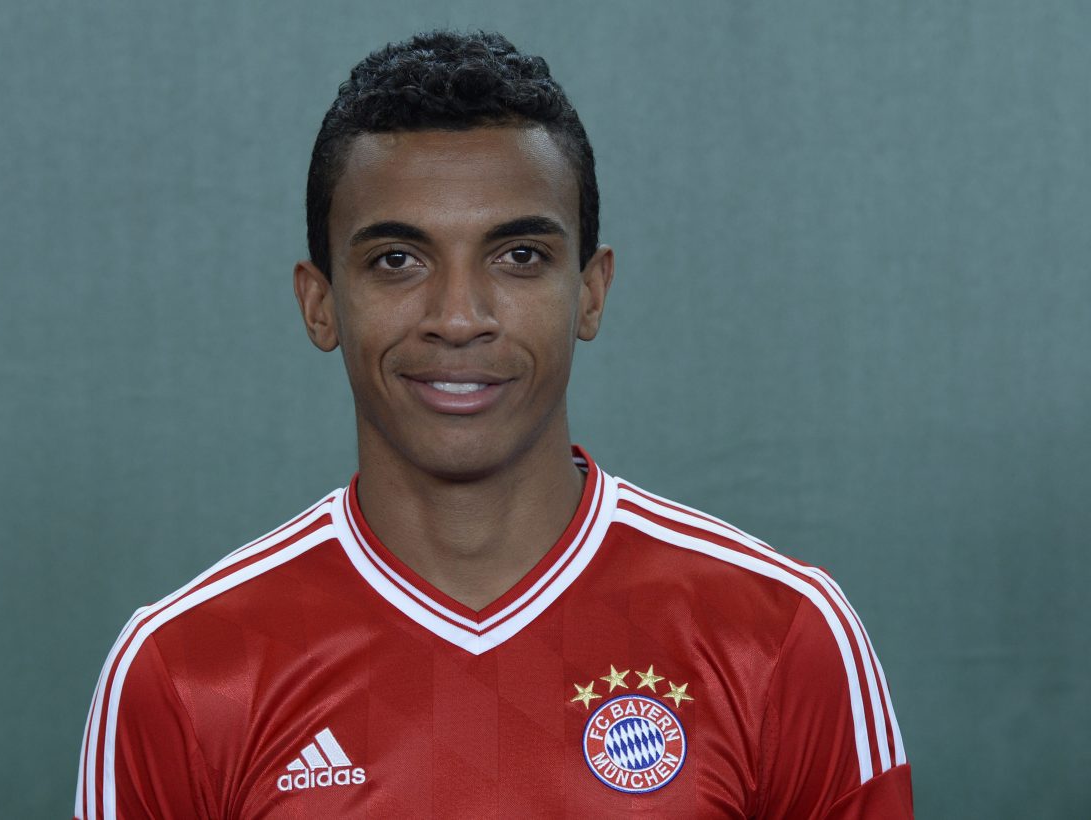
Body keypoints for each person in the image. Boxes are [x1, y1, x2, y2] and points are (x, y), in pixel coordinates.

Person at [75, 30, 912, 819]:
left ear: (591, 292)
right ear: (320, 303)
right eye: (397, 260)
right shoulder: (186, 669)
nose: (459, 317)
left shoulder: (781, 633)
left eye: (519, 257)